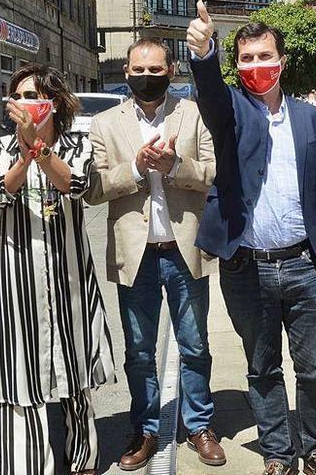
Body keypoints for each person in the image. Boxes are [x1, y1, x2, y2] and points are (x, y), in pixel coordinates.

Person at [187, 1, 316, 475]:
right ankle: (279, 452)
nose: (256, 67)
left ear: (281, 60)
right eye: (246, 59)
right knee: (262, 368)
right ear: (236, 65)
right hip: (247, 267)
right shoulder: (231, 112)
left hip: (307, 265)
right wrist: (204, 53)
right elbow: (211, 94)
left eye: (264, 56)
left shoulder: (313, 120)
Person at [85, 37, 223, 470]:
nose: (147, 78)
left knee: (195, 343)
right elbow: (93, 188)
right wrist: (138, 168)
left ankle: (199, 424)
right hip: (135, 255)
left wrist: (175, 168)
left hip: (183, 249)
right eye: (139, 71)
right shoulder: (105, 124)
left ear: (172, 71)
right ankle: (144, 429)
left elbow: (215, 173)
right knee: (140, 352)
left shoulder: (194, 115)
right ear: (126, 73)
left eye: (156, 71)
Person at [0, 63, 117, 475]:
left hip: (69, 274)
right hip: (15, 277)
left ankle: (82, 458)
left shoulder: (77, 145)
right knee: (19, 368)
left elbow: (74, 187)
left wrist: (41, 151)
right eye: (17, 96)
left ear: (52, 103)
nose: (23, 103)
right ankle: (26, 464)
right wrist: (23, 155)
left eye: (33, 95)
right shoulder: (2, 147)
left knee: (74, 364)